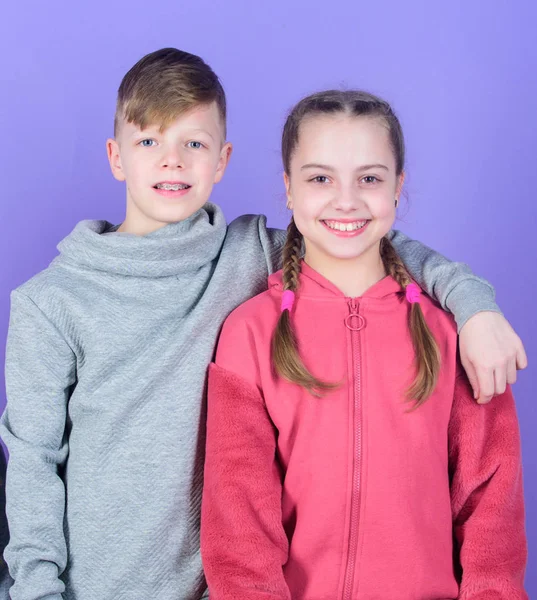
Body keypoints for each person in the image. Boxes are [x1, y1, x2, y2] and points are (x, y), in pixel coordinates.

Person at [0, 49, 526, 600]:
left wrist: (475, 306)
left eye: (194, 144)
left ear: (223, 159)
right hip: (97, 586)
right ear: (116, 156)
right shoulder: (51, 301)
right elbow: (33, 463)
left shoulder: (247, 252)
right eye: (149, 141)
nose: (172, 161)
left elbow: (360, 235)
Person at [201, 90, 527, 599]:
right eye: (320, 178)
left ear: (399, 187)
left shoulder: (457, 335)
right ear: (288, 189)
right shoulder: (249, 333)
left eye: (369, 178)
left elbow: (491, 508)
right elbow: (239, 526)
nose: (346, 199)